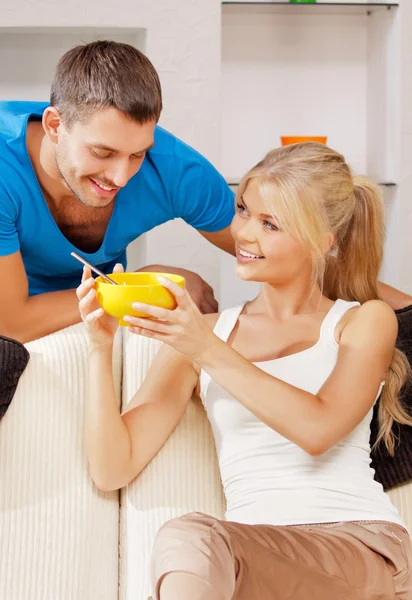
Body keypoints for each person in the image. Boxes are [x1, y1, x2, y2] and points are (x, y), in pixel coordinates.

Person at [77, 142, 412, 599]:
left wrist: (205, 348)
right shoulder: (203, 333)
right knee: (191, 542)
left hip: (359, 547)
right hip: (253, 560)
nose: (244, 234)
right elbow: (113, 468)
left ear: (323, 241)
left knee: (189, 536)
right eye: (243, 211)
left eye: (270, 224)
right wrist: (100, 347)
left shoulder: (363, 322)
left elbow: (318, 428)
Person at [0, 40, 236, 343]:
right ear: (55, 126)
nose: (121, 177)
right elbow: (12, 324)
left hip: (96, 320)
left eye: (137, 154)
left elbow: (289, 252)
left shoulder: (175, 169)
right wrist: (135, 286)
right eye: (102, 152)